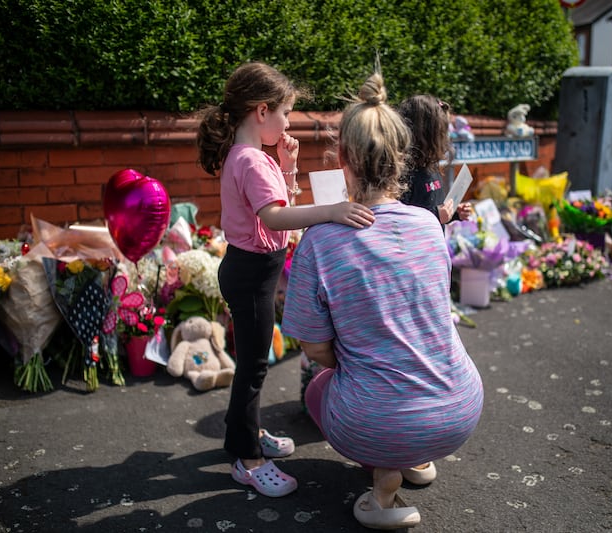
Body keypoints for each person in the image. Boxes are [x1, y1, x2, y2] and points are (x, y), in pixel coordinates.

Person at [281, 70, 484, 530]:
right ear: (401, 158)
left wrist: (358, 365)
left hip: (378, 419)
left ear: (343, 160)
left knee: (318, 386)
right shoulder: (431, 225)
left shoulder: (321, 240)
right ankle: (415, 458)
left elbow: (315, 350)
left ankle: (384, 485)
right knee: (398, 379)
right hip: (459, 408)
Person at [195, 61, 376, 498]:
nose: (287, 122)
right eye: (286, 113)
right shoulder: (252, 161)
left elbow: (280, 204)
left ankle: (247, 432)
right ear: (262, 111)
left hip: (253, 269)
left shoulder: (252, 157)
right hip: (250, 271)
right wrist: (332, 211)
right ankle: (247, 458)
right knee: (254, 366)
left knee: (256, 363)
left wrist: (288, 166)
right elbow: (275, 216)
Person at [396, 94, 473, 225]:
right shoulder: (403, 174)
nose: (445, 138)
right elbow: (398, 221)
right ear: (426, 135)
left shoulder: (430, 166)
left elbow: (431, 207)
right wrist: (437, 215)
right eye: (442, 132)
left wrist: (453, 213)